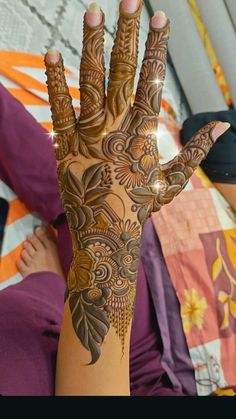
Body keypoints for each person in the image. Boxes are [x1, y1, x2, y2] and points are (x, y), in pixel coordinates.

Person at [0, 0, 229, 396]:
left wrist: (104, 244)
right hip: (173, 279)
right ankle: (56, 280)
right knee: (86, 176)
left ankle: (51, 285)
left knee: (20, 335)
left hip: (154, 379)